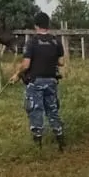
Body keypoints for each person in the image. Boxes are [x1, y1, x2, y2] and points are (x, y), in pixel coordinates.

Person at [8, 11, 66, 150]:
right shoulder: (55, 41)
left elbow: (26, 65)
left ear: (36, 25)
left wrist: (17, 74)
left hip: (35, 82)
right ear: (48, 25)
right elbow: (61, 62)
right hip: (51, 81)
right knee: (52, 109)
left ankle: (38, 142)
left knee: (35, 109)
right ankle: (59, 137)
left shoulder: (32, 42)